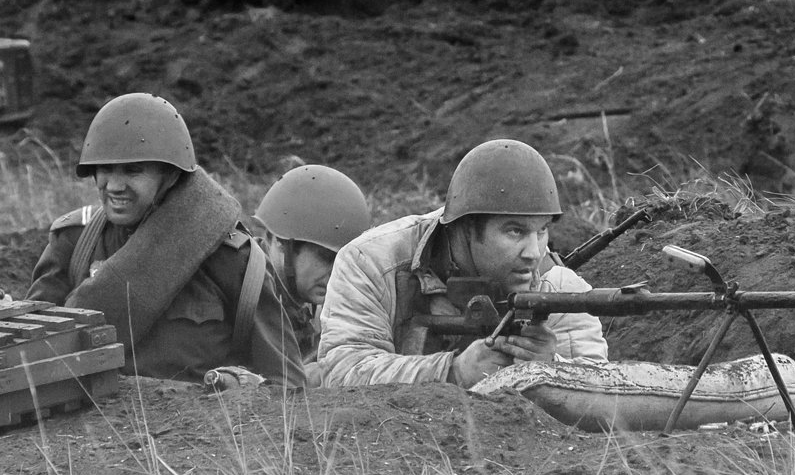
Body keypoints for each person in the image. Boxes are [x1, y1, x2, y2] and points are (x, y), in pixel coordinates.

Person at [26, 92, 306, 388]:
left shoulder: (232, 260)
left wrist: (241, 388)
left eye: (133, 171)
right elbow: (28, 362)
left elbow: (288, 388)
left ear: (170, 176)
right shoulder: (73, 242)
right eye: (105, 170)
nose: (115, 186)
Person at [317, 139, 608, 387]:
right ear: (465, 228)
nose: (534, 252)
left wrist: (551, 367)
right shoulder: (372, 262)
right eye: (514, 231)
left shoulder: (557, 284)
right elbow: (342, 370)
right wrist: (452, 372)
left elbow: (605, 392)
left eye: (542, 230)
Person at [252, 164, 371, 382]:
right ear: (281, 242)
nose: (338, 274)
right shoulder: (244, 291)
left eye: (344, 262)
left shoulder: (293, 301)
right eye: (326, 258)